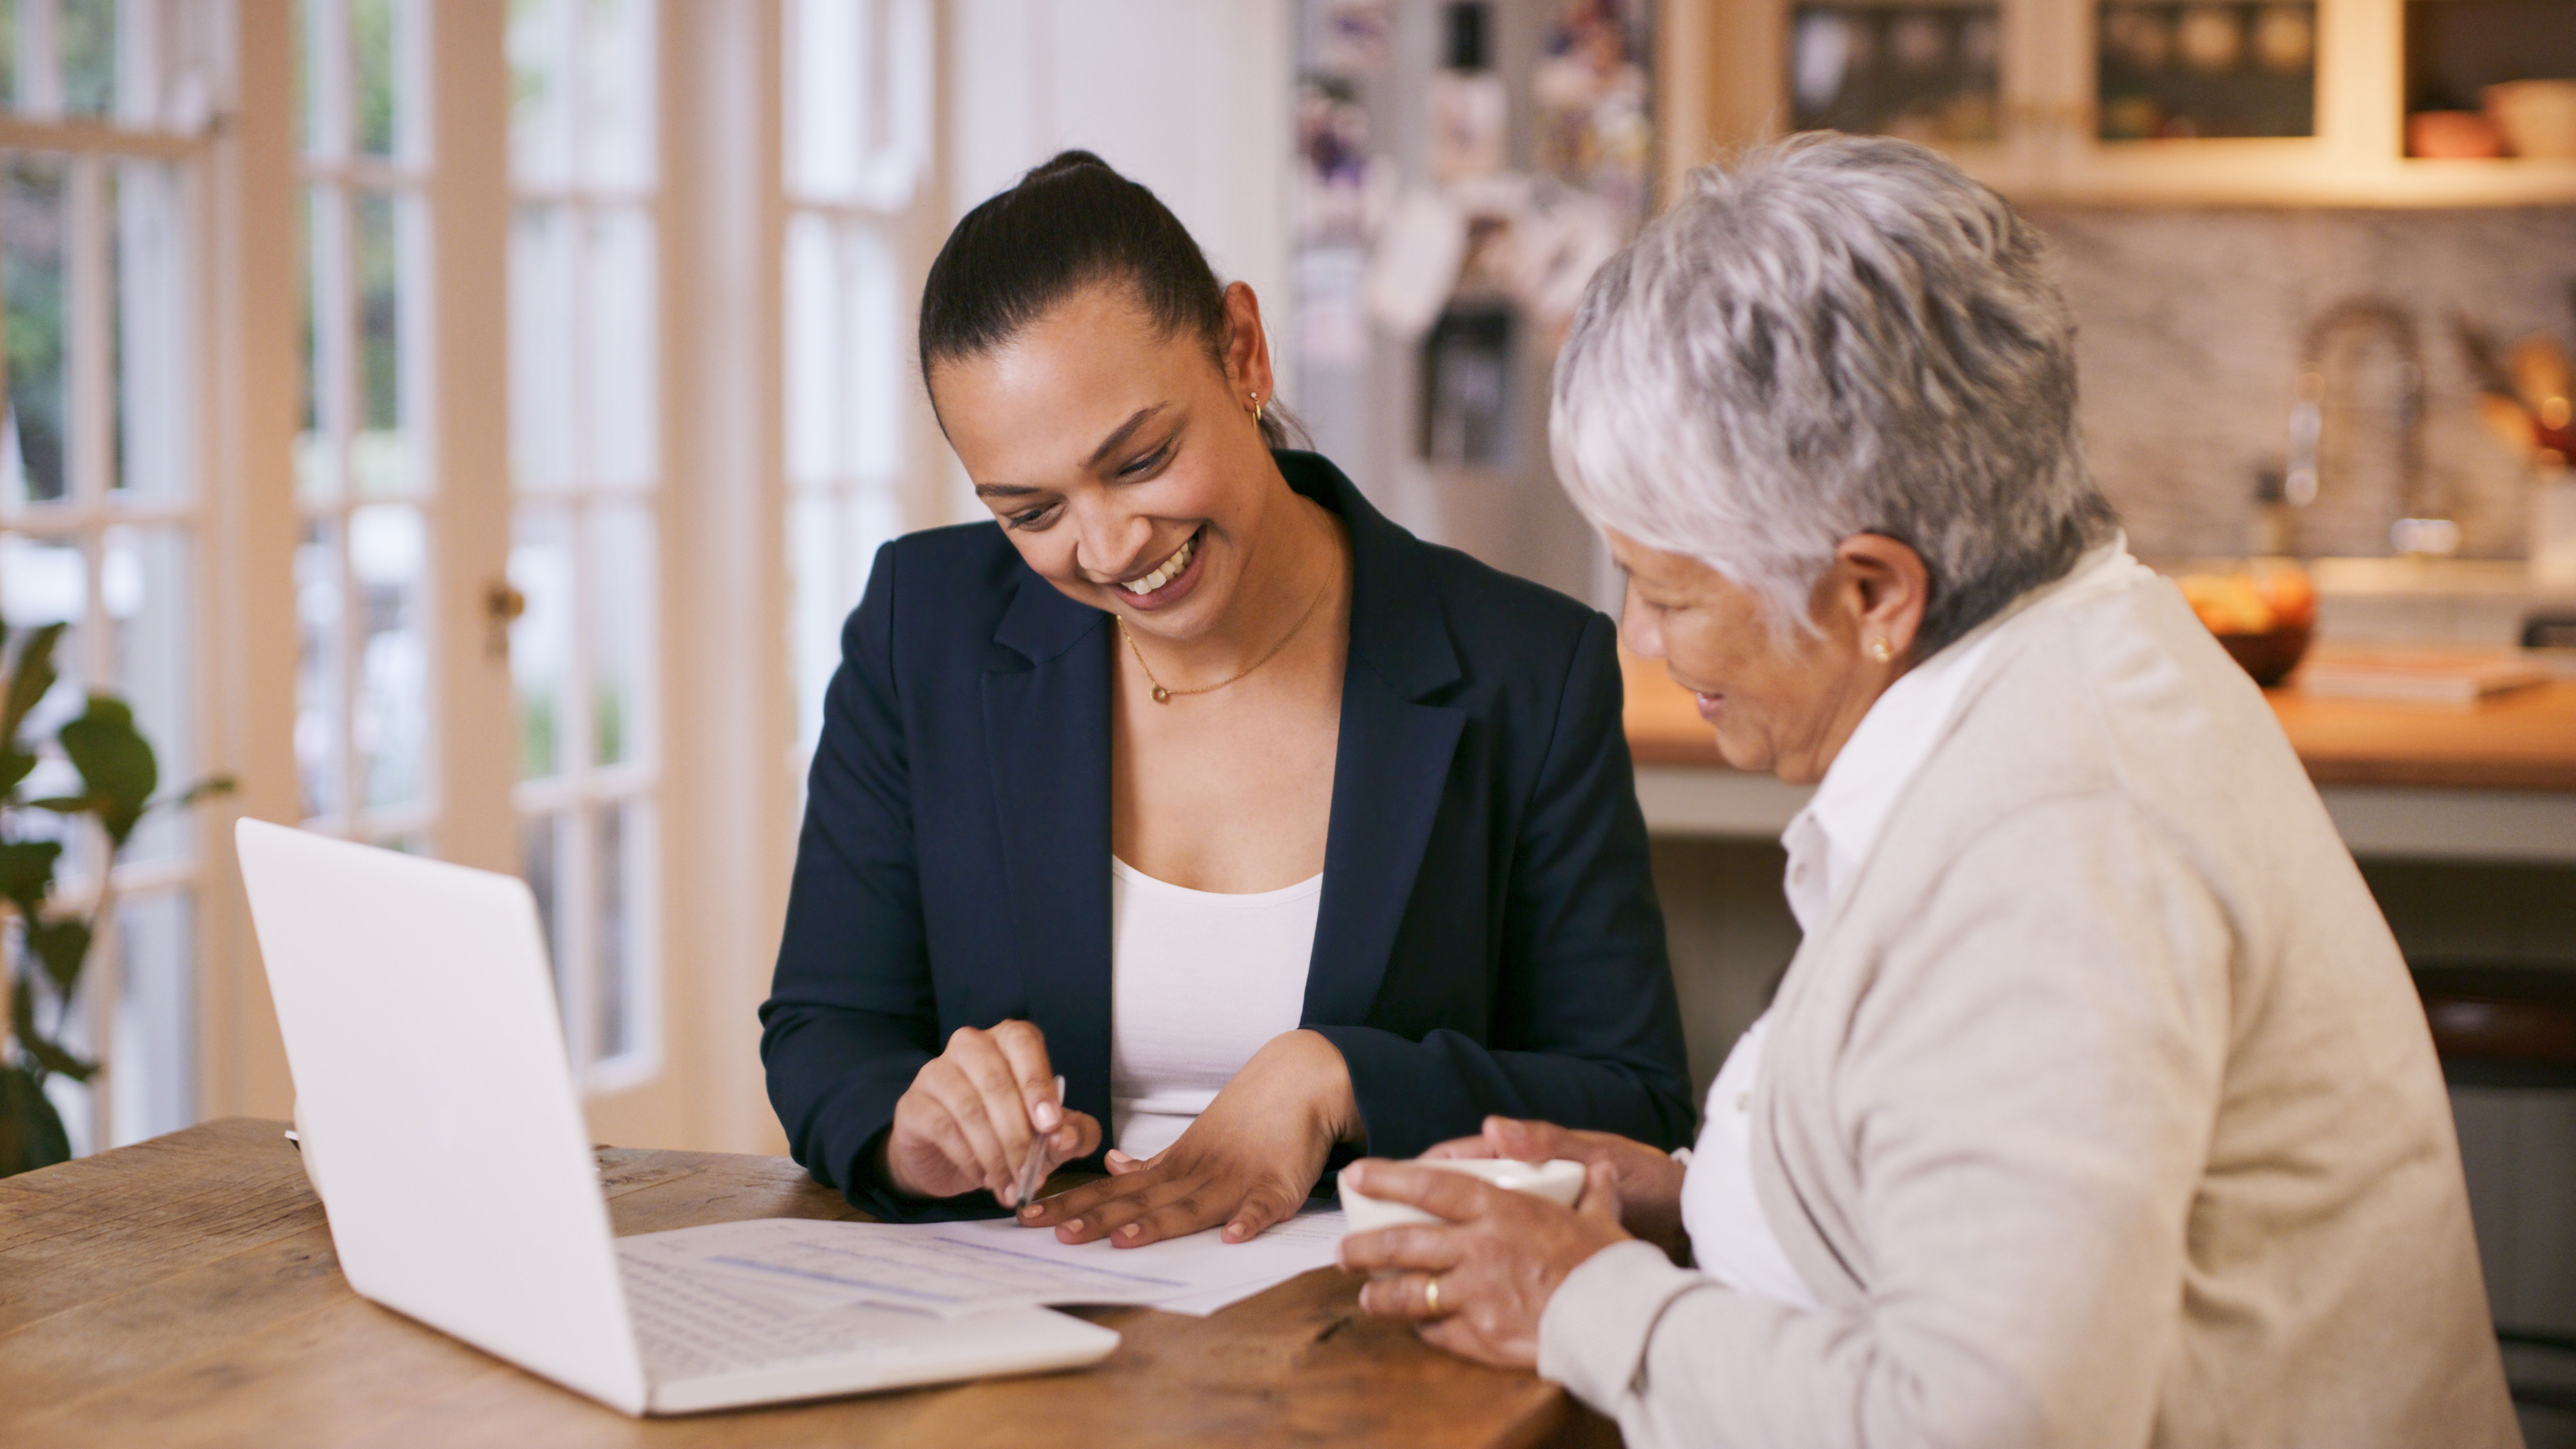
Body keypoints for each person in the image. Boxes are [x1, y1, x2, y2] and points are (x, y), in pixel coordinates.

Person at [1337, 134, 2520, 1447]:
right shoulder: (2080, 648)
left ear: (1873, 593)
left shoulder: (2055, 852)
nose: (1643, 643)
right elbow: (1983, 1186)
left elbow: (1987, 1422)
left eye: (1669, 593)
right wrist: (1693, 1194)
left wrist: (1582, 1300)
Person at [760, 151, 1693, 1247]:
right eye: (1029, 513)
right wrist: (910, 1134)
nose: (1108, 551)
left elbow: (1634, 1102)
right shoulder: (922, 627)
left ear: (1242, 351)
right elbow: (826, 1028)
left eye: (1142, 459)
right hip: (1030, 1316)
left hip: (1373, 1331)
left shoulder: (1526, 667)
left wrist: (1342, 1077)